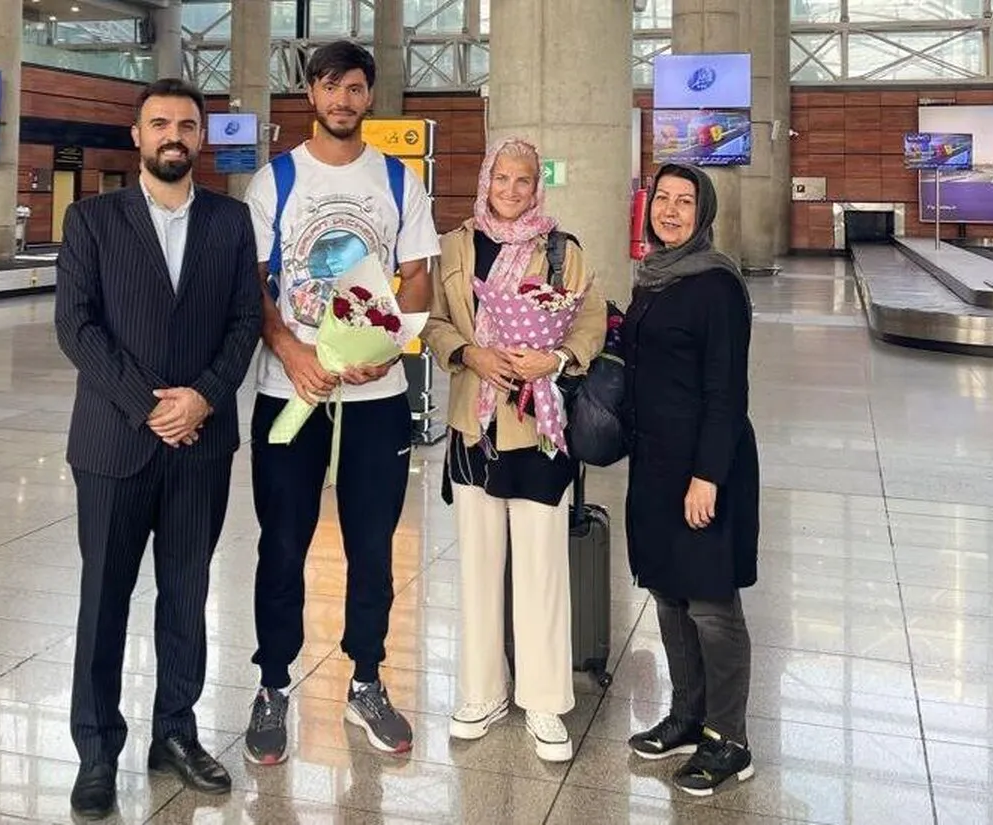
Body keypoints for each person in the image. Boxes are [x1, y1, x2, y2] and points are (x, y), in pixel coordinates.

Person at [55, 78, 262, 819]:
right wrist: (150, 407)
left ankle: (175, 731)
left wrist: (202, 396)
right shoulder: (92, 218)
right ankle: (96, 750)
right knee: (104, 598)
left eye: (187, 124)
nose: (174, 135)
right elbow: (76, 326)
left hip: (200, 445)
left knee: (186, 594)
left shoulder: (231, 221)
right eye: (160, 123)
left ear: (201, 138)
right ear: (138, 136)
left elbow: (245, 321)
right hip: (114, 443)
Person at [241, 40, 440, 763]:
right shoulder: (275, 180)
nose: (343, 100)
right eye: (330, 87)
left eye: (355, 88)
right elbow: (253, 285)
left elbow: (419, 277)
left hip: (376, 398)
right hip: (289, 392)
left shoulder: (397, 180)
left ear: (369, 96)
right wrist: (292, 352)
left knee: (373, 545)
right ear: (311, 95)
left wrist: (388, 346)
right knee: (282, 542)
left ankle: (366, 679)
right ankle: (272, 684)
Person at [422, 137, 605, 762]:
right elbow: (433, 321)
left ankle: (545, 700)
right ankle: (482, 692)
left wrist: (554, 358)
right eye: (500, 178)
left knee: (541, 568)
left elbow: (590, 320)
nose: (510, 190)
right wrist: (470, 353)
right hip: (473, 427)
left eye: (522, 180)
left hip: (537, 428)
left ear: (537, 186)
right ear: (485, 179)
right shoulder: (454, 245)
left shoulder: (562, 250)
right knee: (477, 566)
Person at [622, 162, 760, 796]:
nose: (670, 210)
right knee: (669, 593)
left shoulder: (715, 284)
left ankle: (729, 739)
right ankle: (687, 716)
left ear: (703, 212)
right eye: (662, 198)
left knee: (710, 604)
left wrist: (707, 476)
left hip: (705, 463)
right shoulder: (654, 276)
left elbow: (726, 391)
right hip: (654, 463)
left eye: (684, 201)